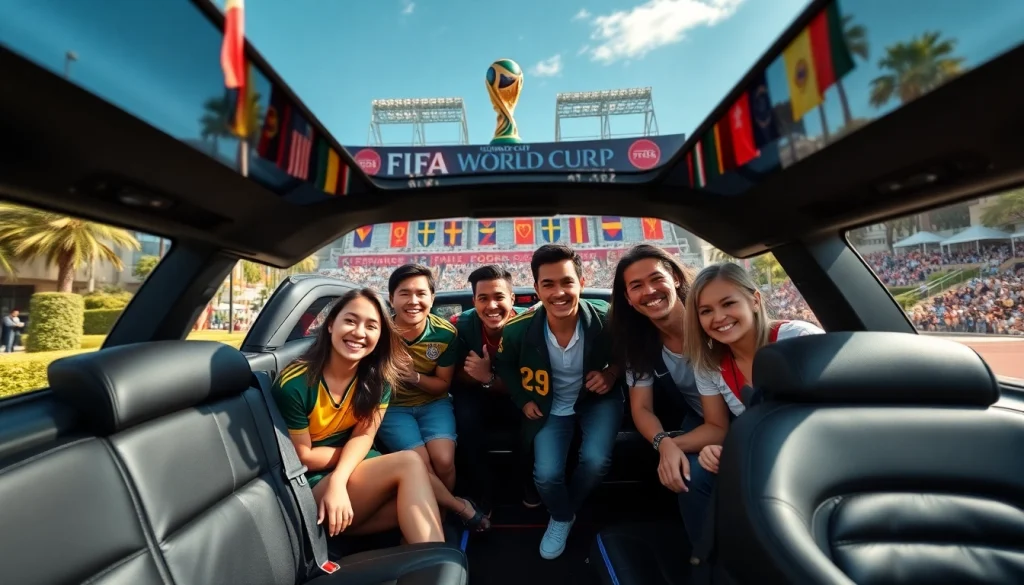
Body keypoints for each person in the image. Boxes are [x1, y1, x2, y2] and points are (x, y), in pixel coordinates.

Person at [270, 288, 445, 542]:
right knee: (408, 462)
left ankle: (421, 570)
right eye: (350, 321)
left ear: (380, 336)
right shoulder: (295, 383)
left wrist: (342, 476)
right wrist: (347, 471)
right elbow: (304, 456)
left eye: (371, 326)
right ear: (331, 325)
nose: (359, 333)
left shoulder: (379, 380)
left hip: (346, 477)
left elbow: (364, 434)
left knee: (424, 507)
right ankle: (436, 568)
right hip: (311, 486)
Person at [681, 262, 823, 541]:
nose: (719, 317)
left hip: (814, 453)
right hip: (761, 454)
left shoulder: (797, 338)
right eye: (706, 311)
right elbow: (717, 427)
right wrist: (674, 446)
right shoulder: (709, 364)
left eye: (728, 303)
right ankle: (707, 562)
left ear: (755, 301)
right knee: (694, 473)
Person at [497, 244, 622, 560]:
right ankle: (564, 515)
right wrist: (523, 398)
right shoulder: (517, 330)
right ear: (537, 288)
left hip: (597, 400)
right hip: (548, 405)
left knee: (596, 461)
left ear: (582, 281)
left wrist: (611, 374)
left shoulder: (607, 319)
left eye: (567, 282)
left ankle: (564, 513)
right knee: (547, 475)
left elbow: (629, 354)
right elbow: (506, 367)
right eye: (548, 284)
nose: (559, 292)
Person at [610, 245, 724, 540]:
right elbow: (641, 409)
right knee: (688, 475)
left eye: (656, 279)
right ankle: (703, 555)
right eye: (636, 286)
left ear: (674, 277)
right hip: (703, 421)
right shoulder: (639, 344)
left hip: (738, 418)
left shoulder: (712, 322)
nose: (649, 291)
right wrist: (664, 443)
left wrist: (675, 444)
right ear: (628, 299)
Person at [376, 264, 490, 530]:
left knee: (444, 460)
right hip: (392, 408)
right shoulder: (378, 333)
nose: (413, 301)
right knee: (421, 463)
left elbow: (441, 386)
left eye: (420, 293)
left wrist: (412, 376)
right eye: (404, 293)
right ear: (391, 298)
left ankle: (441, 510)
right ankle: (454, 509)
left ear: (432, 298)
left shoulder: (445, 334)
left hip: (433, 404)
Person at [451, 265, 539, 517]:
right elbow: (451, 378)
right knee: (464, 419)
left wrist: (488, 376)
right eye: (483, 298)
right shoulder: (460, 325)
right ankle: (483, 492)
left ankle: (528, 483)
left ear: (512, 299)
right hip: (476, 396)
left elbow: (535, 383)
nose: (491, 306)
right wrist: (474, 375)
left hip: (520, 395)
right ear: (474, 301)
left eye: (499, 297)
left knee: (533, 419)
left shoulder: (532, 324)